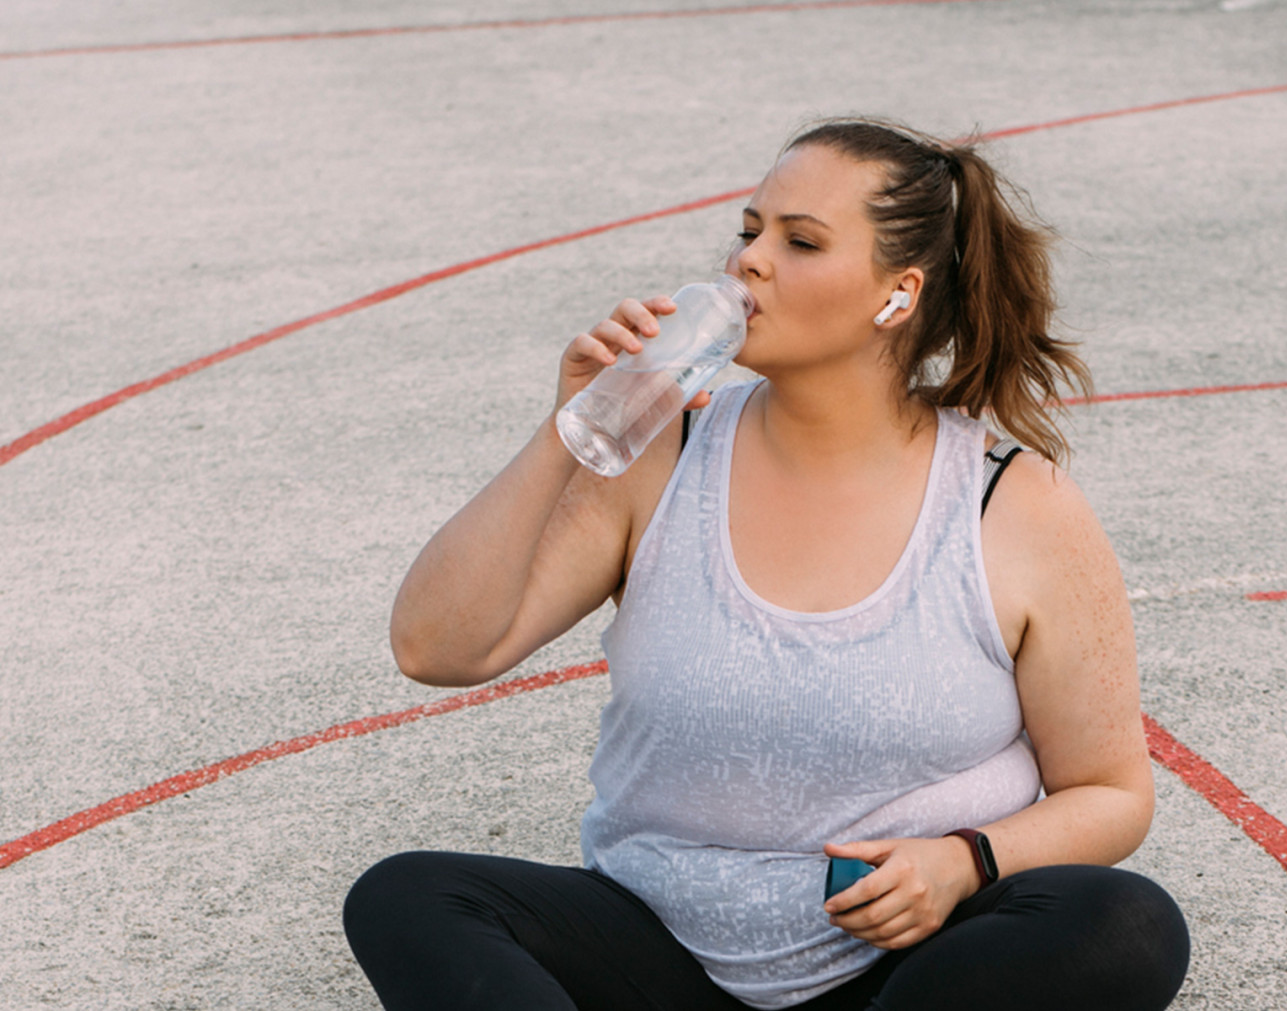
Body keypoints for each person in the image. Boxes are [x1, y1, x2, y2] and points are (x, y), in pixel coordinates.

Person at [343, 117, 1189, 1010]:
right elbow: (437, 646)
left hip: (899, 967)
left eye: (800, 241)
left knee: (1123, 920)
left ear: (896, 295)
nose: (748, 260)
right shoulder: (661, 451)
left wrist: (966, 859)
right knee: (409, 897)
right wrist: (572, 427)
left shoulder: (1011, 503)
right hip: (655, 950)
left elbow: (1110, 791)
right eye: (750, 231)